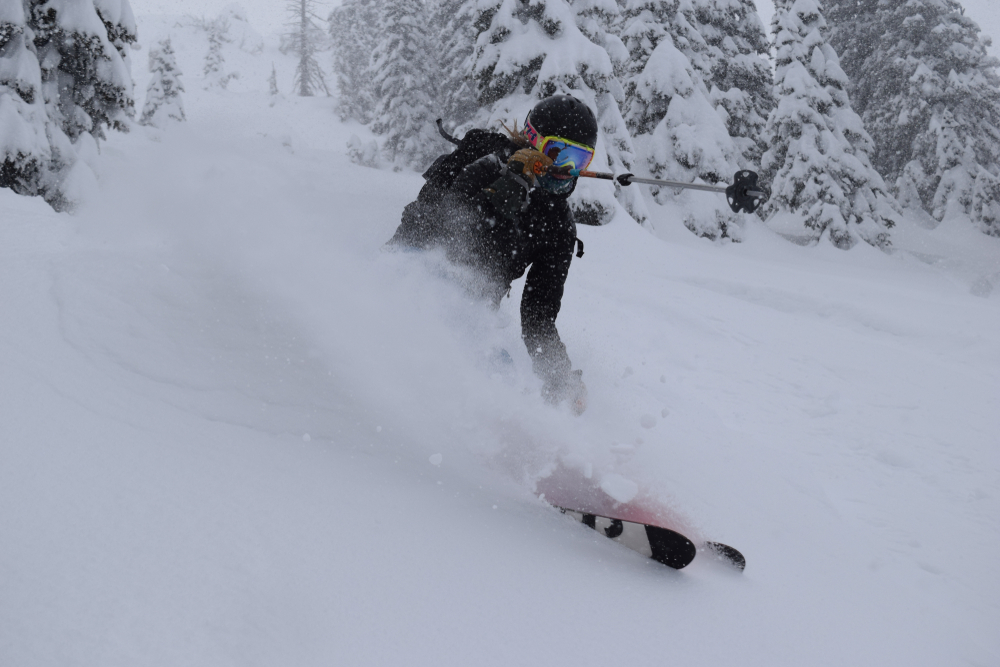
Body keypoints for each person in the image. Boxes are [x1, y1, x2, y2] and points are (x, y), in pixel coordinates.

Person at [387, 95, 598, 414]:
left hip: (468, 311)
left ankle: (508, 437)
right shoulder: (481, 153)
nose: (564, 169)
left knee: (499, 380)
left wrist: (559, 377)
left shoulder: (557, 227)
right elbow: (430, 219)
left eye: (579, 160)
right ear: (533, 140)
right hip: (412, 269)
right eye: (558, 153)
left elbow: (538, 316)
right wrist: (502, 186)